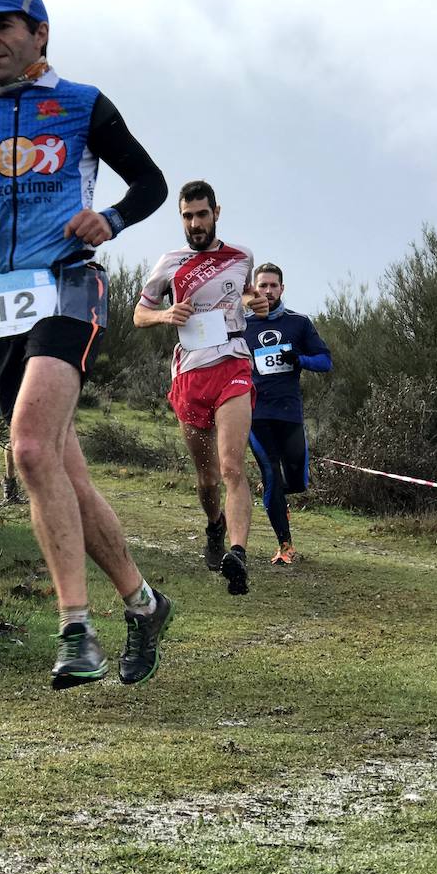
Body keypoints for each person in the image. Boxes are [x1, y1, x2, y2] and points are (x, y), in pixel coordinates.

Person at [0, 0, 174, 690]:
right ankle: (145, 604)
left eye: (1, 28)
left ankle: (75, 630)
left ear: (40, 34)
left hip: (68, 285)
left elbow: (151, 183)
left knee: (28, 448)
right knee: (63, 472)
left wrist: (111, 220)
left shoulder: (83, 103)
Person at [135, 181, 268, 595]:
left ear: (216, 213)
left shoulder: (241, 256)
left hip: (232, 364)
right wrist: (165, 315)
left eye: (202, 214)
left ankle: (238, 555)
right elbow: (140, 314)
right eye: (188, 216)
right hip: (190, 374)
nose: (195, 223)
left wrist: (255, 304)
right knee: (207, 477)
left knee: (231, 466)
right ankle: (215, 526)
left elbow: (247, 296)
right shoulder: (169, 262)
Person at [243, 263, 332, 565]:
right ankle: (285, 545)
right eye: (262, 286)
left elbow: (325, 361)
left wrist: (300, 358)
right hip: (255, 413)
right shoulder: (240, 324)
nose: (267, 291)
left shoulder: (299, 323)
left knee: (297, 481)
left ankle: (276, 494)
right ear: (253, 288)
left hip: (289, 412)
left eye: (273, 286)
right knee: (270, 472)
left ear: (282, 289)